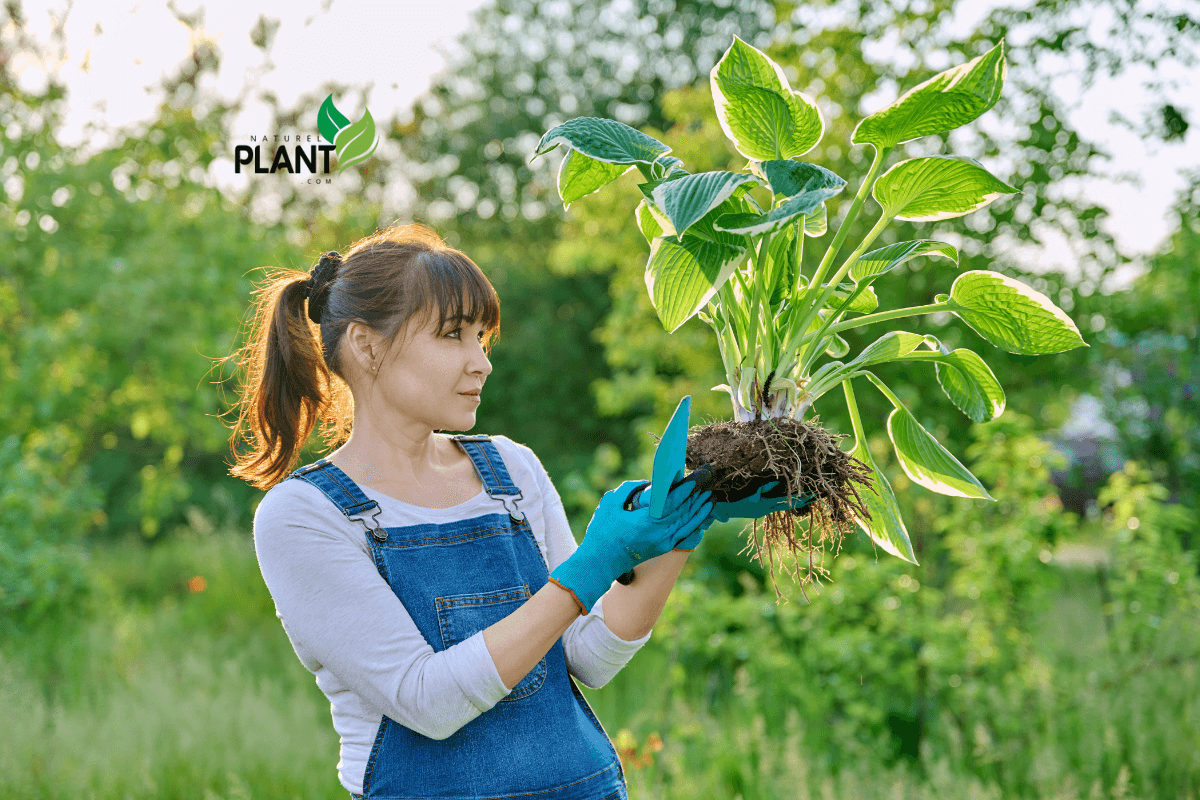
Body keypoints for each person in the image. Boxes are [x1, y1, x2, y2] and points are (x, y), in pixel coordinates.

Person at [226, 223, 726, 800]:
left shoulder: (510, 470)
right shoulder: (305, 516)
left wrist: (673, 536)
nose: (480, 363)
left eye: (481, 338)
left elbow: (588, 657)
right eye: (452, 335)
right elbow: (426, 700)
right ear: (366, 345)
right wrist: (593, 564)